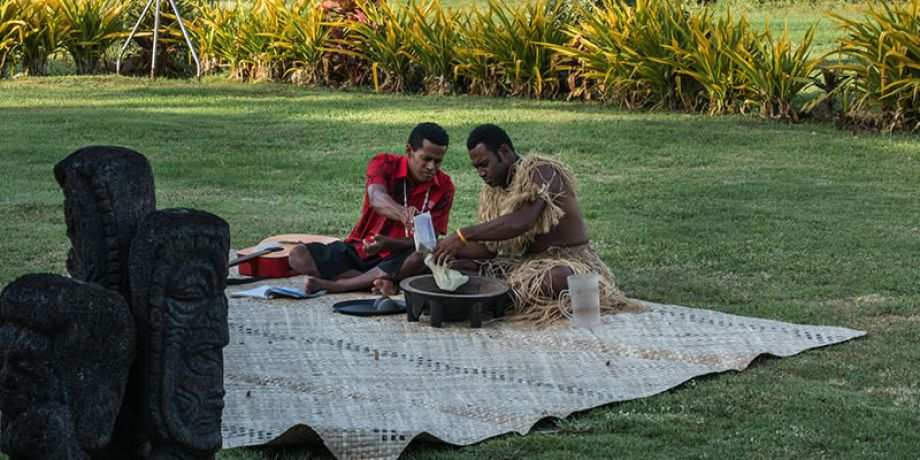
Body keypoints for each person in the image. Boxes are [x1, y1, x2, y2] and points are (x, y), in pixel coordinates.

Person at [433, 124, 639, 324]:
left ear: (504, 152)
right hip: (526, 265)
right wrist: (448, 248)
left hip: (570, 262)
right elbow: (489, 249)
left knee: (559, 277)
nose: (481, 172)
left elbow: (522, 221)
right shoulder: (493, 192)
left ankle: (492, 299)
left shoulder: (542, 171)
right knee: (460, 267)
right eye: (476, 167)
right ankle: (495, 296)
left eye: (484, 164)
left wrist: (463, 234)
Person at [289, 122, 454, 295]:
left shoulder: (445, 186)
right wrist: (403, 213)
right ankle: (379, 282)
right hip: (361, 248)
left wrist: (389, 243)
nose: (431, 167)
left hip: (399, 256)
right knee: (298, 255)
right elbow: (376, 197)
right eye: (426, 159)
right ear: (409, 151)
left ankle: (339, 285)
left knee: (422, 257)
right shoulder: (383, 163)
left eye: (438, 161)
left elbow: (429, 242)